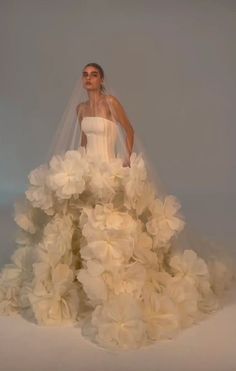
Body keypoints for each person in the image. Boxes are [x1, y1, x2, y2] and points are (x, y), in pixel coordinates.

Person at [0, 62, 234, 351]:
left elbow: (129, 130)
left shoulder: (111, 102)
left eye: (93, 75)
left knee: (112, 224)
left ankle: (118, 279)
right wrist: (80, 166)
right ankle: (80, 279)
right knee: (79, 221)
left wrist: (126, 161)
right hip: (89, 169)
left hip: (110, 169)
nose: (88, 79)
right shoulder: (81, 110)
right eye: (85, 75)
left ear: (101, 79)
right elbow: (85, 140)